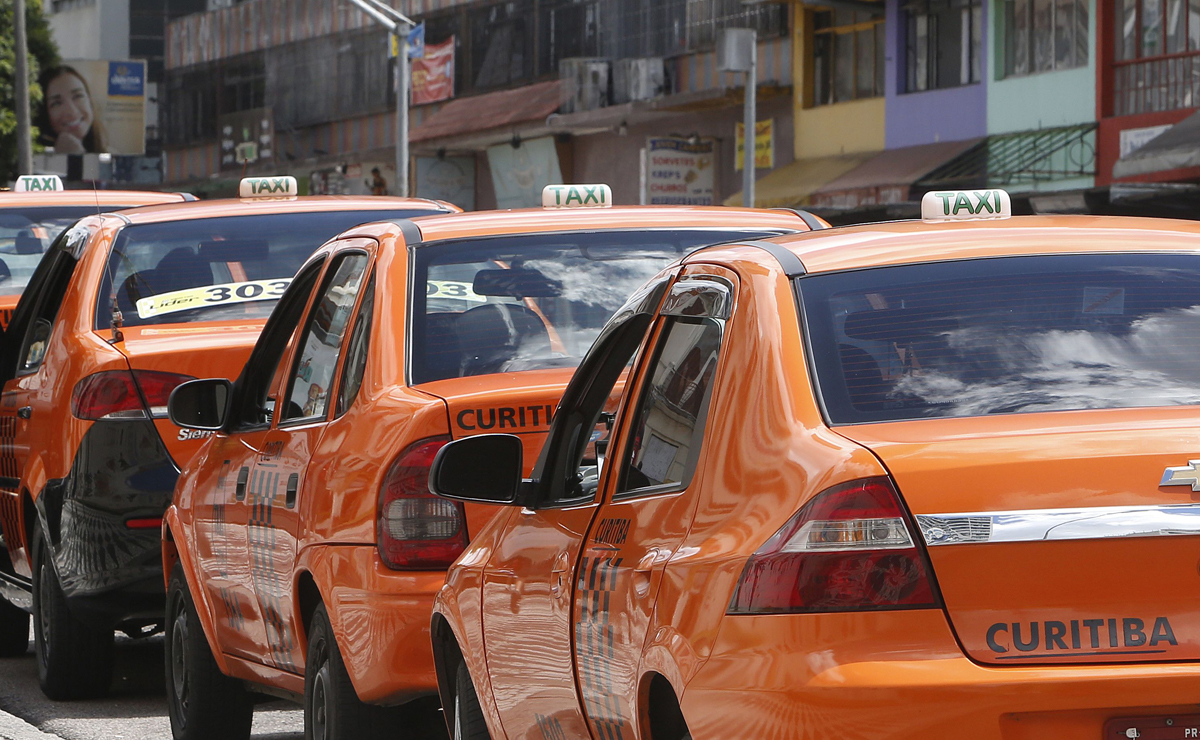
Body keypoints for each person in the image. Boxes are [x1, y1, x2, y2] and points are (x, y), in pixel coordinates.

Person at [37, 66, 106, 154]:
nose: (72, 111)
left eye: (78, 96)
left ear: (89, 100)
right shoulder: (37, 159)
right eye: (57, 103)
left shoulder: (109, 153)